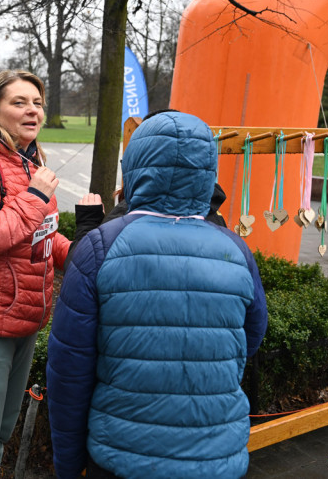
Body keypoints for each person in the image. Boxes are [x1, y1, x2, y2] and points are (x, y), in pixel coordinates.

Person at [46, 111, 268, 479]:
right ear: (207, 171)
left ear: (134, 167)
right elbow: (251, 335)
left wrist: (68, 464)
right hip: (215, 457)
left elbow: (69, 368)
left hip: (122, 454)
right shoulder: (235, 249)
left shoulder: (101, 246)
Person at [0, 69, 98, 479]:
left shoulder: (28, 162)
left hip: (22, 320)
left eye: (38, 103)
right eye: (19, 102)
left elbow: (39, 237)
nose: (33, 111)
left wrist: (84, 254)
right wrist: (36, 195)